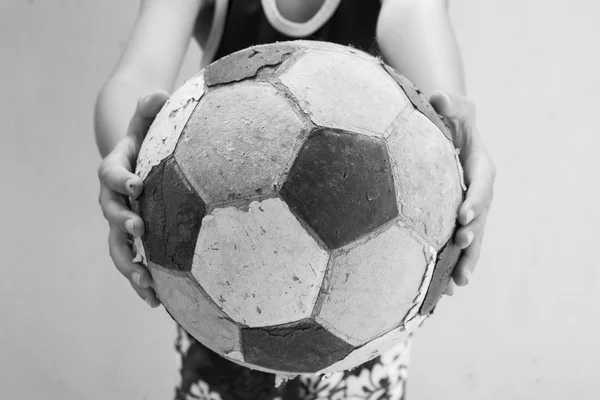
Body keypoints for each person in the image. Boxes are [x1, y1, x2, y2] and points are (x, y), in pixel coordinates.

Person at [95, 0, 496, 398]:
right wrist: (132, 158)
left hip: (365, 334)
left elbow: (446, 118)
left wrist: (463, 149)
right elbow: (133, 81)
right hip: (219, 318)